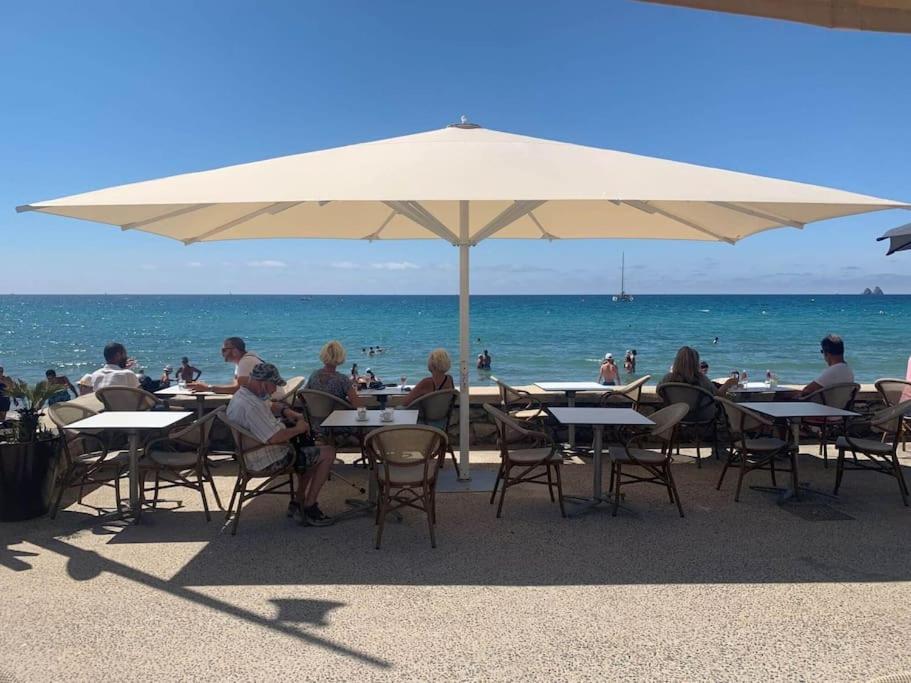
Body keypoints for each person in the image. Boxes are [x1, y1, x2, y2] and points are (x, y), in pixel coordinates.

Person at [226, 363, 335, 526]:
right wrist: (298, 429)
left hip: (253, 452)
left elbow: (270, 404)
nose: (273, 390)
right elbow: (275, 437)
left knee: (311, 449)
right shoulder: (251, 406)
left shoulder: (245, 394)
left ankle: (298, 502)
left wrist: (287, 412)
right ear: (262, 382)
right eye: (273, 385)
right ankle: (309, 507)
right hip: (266, 459)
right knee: (327, 452)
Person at [189, 337, 261, 395]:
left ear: (235, 351)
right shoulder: (243, 361)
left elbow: (237, 389)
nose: (222, 353)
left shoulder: (246, 362)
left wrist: (207, 388)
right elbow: (236, 386)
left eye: (224, 350)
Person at [659, 346, 737, 396]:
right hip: (702, 417)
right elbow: (718, 395)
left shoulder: (667, 378)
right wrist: (728, 383)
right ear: (695, 363)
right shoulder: (701, 379)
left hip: (676, 416)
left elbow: (659, 392)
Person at [306, 340, 362, 406]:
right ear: (340, 356)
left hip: (316, 415)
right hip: (338, 415)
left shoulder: (314, 375)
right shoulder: (342, 379)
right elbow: (357, 404)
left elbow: (305, 394)